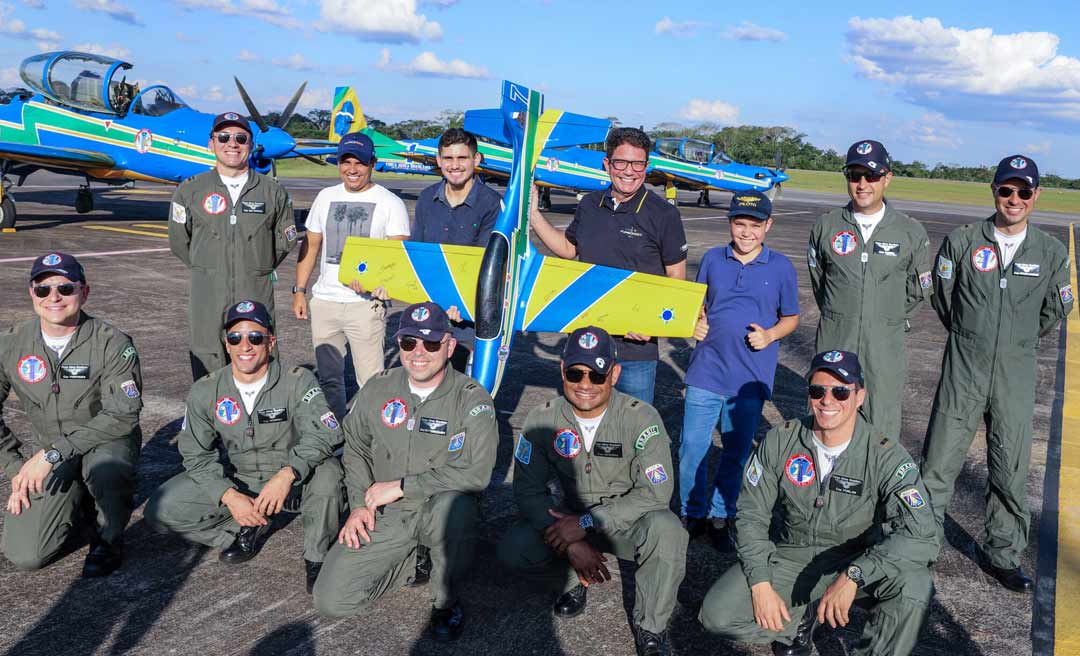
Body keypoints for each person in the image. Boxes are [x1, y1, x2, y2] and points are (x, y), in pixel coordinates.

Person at [699, 351, 936, 656]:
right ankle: (800, 618)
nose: (827, 401)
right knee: (717, 615)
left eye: (840, 391)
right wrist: (760, 585)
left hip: (857, 557)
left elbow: (921, 534)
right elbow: (751, 515)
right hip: (792, 555)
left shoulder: (885, 456)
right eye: (817, 390)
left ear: (859, 396)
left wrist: (855, 574)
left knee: (914, 586)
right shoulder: (781, 441)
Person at [921, 154, 1072, 592]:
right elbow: (944, 299)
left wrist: (1013, 341)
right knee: (938, 464)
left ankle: (1001, 553)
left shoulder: (1050, 251)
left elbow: (1054, 310)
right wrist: (975, 336)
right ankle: (921, 546)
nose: (1014, 199)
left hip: (1016, 371)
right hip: (964, 368)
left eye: (1024, 191)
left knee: (1010, 468)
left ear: (1036, 195)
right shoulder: (964, 240)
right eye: (1007, 189)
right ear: (994, 191)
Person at [313, 302, 498, 642]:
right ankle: (415, 560)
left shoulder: (471, 399)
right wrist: (357, 504)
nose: (418, 353)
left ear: (450, 345)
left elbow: (477, 473)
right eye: (409, 342)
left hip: (437, 510)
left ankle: (445, 601)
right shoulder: (379, 388)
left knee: (451, 509)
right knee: (331, 600)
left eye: (430, 344)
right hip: (388, 514)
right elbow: (354, 446)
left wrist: (402, 485)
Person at [497, 326, 687, 656]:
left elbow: (656, 493)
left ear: (614, 374)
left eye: (597, 375)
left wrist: (585, 525)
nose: (585, 385)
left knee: (668, 530)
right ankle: (573, 581)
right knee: (515, 548)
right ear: (562, 370)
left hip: (625, 523)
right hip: (569, 518)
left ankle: (650, 626)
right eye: (575, 373)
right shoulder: (543, 419)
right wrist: (572, 543)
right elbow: (528, 491)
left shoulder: (641, 418)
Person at [145, 300, 344, 594]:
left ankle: (317, 557)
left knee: (329, 476)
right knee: (161, 510)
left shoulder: (298, 381)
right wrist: (228, 495)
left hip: (296, 479)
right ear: (227, 343)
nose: (245, 346)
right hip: (243, 477)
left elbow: (327, 433)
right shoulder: (206, 389)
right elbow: (196, 454)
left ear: (270, 341)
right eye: (235, 337)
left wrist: (288, 473)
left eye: (255, 337)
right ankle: (243, 529)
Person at [0, 252, 142, 576]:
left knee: (108, 470)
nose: (54, 297)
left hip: (103, 444)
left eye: (65, 288)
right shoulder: (10, 344)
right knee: (26, 555)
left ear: (84, 292)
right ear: (31, 293)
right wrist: (16, 468)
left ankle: (108, 536)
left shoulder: (112, 343)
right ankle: (77, 500)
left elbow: (124, 414)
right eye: (43, 289)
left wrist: (50, 456)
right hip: (50, 452)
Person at [530, 127, 688, 404]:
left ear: (647, 166)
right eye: (621, 162)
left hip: (635, 350)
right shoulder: (590, 204)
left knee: (631, 428)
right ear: (607, 164)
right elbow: (568, 249)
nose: (629, 171)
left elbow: (676, 276)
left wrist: (653, 322)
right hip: (586, 343)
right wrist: (532, 214)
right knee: (582, 424)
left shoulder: (664, 214)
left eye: (638, 164)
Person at [679, 191, 799, 549]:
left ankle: (721, 513)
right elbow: (699, 305)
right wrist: (694, 323)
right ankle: (692, 511)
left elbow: (791, 318)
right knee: (692, 446)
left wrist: (771, 334)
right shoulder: (714, 259)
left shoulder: (781, 267)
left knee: (736, 451)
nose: (746, 232)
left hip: (749, 379)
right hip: (706, 370)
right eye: (739, 223)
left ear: (768, 226)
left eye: (755, 225)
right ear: (730, 223)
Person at [807, 140, 931, 438]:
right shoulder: (826, 227)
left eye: (871, 176)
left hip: (885, 345)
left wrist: (887, 317)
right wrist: (842, 314)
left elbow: (918, 289)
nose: (862, 184)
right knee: (828, 418)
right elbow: (819, 281)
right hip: (836, 337)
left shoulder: (910, 231)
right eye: (854, 175)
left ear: (887, 177)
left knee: (881, 425)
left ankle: (875, 484)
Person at [169, 111, 297, 381]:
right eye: (224, 137)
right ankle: (209, 419)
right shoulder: (190, 190)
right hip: (207, 290)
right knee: (206, 356)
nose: (232, 144)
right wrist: (208, 267)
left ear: (251, 145)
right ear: (211, 144)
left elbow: (284, 241)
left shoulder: (272, 191)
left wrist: (255, 265)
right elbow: (180, 241)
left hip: (255, 288)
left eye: (241, 138)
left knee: (259, 354)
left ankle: (261, 420)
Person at [292, 132, 410, 419]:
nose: (352, 169)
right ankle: (333, 436)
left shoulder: (390, 202)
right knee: (329, 379)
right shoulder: (325, 197)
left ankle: (365, 437)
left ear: (373, 163)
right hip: (325, 302)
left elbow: (398, 255)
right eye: (346, 161)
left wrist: (376, 284)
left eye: (360, 162)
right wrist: (299, 291)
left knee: (370, 381)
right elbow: (312, 243)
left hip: (364, 306)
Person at [412, 128, 501, 373]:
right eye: (448, 158)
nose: (455, 165)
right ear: (439, 161)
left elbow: (483, 265)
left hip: (469, 318)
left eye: (462, 158)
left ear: (476, 159)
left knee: (465, 390)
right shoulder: (427, 199)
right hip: (430, 314)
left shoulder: (492, 204)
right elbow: (417, 255)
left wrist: (457, 301)